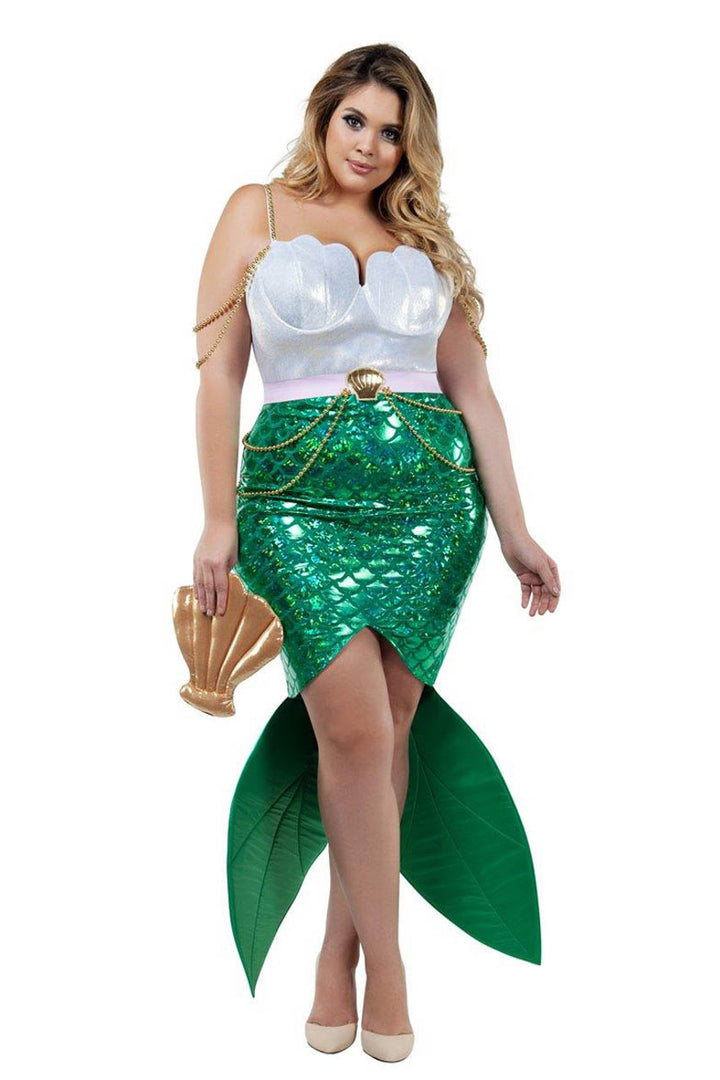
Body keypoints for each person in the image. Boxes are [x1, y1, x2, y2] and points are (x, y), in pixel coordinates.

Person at [191, 43, 560, 1063]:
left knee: (386, 733)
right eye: (355, 120)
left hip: (432, 508)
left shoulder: (421, 238)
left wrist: (516, 529)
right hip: (294, 504)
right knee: (352, 732)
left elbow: (474, 391)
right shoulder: (257, 211)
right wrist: (217, 518)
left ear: (411, 147)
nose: (369, 145)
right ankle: (388, 970)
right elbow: (219, 376)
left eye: (392, 132)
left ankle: (338, 954)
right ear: (323, 117)